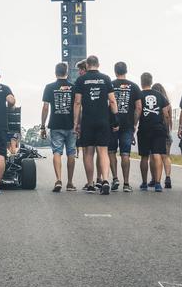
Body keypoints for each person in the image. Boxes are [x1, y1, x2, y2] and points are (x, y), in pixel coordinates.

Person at [73, 55, 118, 195]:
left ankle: (91, 183)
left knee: (88, 152)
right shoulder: (106, 78)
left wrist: (76, 122)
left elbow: (77, 103)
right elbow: (112, 101)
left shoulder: (81, 80)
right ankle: (105, 180)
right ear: (98, 64)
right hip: (103, 120)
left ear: (87, 66)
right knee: (103, 151)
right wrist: (115, 119)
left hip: (88, 121)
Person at [40, 62, 77, 192]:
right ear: (67, 73)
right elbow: (78, 106)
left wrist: (42, 126)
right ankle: (70, 183)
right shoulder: (73, 87)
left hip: (55, 124)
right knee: (71, 152)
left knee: (57, 152)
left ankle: (58, 180)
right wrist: (78, 124)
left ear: (56, 73)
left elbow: (45, 107)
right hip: (71, 124)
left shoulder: (49, 87)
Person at [108, 62, 142, 192]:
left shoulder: (110, 84)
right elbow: (138, 107)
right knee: (125, 153)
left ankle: (115, 178)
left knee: (111, 151)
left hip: (112, 124)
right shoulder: (134, 86)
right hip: (128, 125)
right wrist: (134, 124)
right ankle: (126, 184)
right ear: (126, 71)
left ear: (115, 71)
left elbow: (108, 103)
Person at [137, 73, 170, 192]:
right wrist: (166, 128)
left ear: (141, 82)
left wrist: (135, 124)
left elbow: (138, 110)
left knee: (144, 156)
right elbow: (166, 114)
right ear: (151, 82)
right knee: (157, 155)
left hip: (144, 129)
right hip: (158, 128)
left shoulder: (139, 95)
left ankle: (145, 183)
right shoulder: (159, 95)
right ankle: (157, 183)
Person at [151, 83, 172, 188]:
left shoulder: (155, 103)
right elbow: (168, 118)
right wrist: (168, 132)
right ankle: (168, 178)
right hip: (167, 132)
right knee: (166, 156)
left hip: (156, 131)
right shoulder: (168, 104)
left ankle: (154, 178)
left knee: (154, 156)